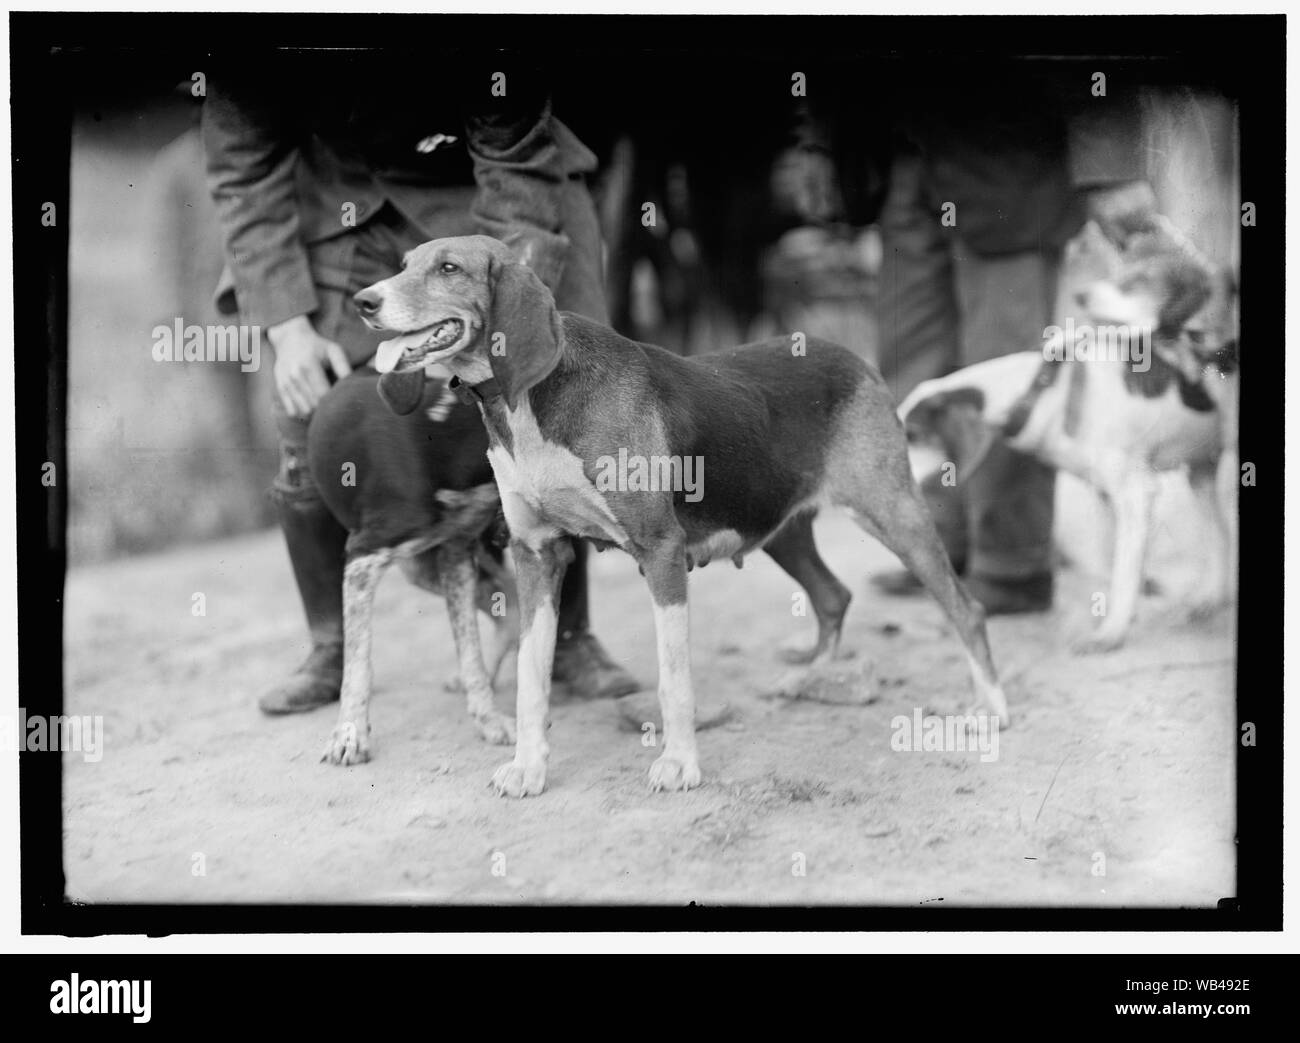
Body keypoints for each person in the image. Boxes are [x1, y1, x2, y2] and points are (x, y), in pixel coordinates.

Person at [202, 51, 638, 712]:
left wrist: (492, 326)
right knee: (302, 404)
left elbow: (513, 163)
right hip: (335, 195)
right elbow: (243, 166)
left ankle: (566, 636)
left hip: (492, 187)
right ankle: (331, 645)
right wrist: (287, 328)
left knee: (544, 391)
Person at [869, 62, 1155, 612]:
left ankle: (1012, 564)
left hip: (1012, 156)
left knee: (1010, 375)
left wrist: (1111, 160)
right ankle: (937, 544)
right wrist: (821, 147)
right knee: (913, 361)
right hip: (903, 149)